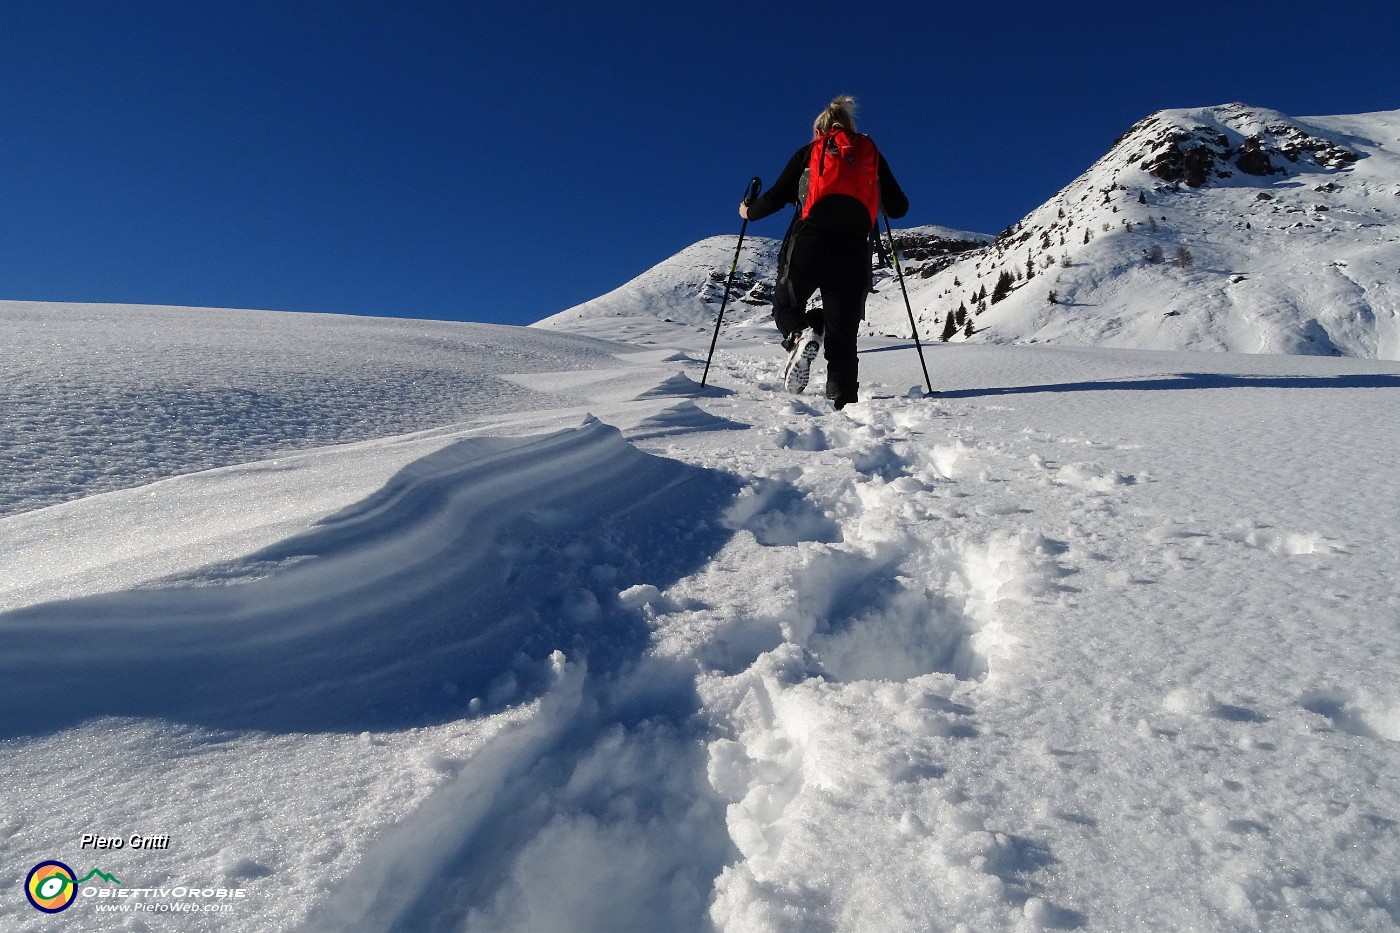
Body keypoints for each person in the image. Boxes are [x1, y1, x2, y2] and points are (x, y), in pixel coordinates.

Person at [740, 95, 908, 409]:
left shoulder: (810, 152)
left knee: (785, 304)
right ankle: (842, 394)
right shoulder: (870, 154)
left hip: (810, 240)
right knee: (843, 326)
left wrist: (748, 212)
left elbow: (776, 197)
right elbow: (899, 208)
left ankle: (799, 334)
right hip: (855, 248)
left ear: (820, 129)